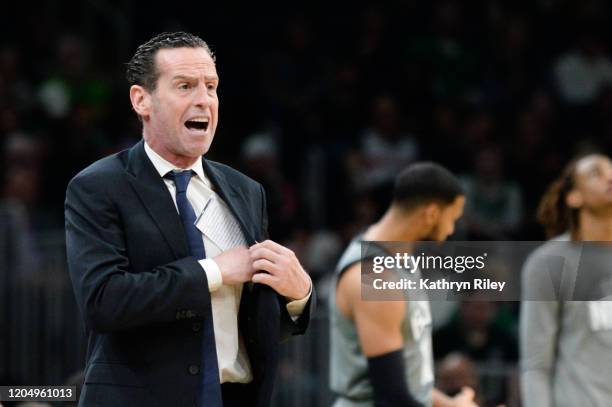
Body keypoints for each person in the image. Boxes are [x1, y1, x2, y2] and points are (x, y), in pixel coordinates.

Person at [65, 32, 313, 407]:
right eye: (185, 86)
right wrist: (213, 272)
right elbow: (104, 301)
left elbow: (246, 321)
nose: (203, 100)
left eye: (211, 87)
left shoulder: (246, 190)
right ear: (141, 100)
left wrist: (298, 294)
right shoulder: (98, 187)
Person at [329, 162, 479, 407]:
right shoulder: (375, 277)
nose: (452, 229)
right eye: (453, 218)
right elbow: (391, 398)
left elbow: (409, 382)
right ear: (431, 213)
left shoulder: (402, 261)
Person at [520, 153, 612, 407]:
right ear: (574, 197)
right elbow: (536, 365)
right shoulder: (549, 262)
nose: (610, 177)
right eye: (596, 173)